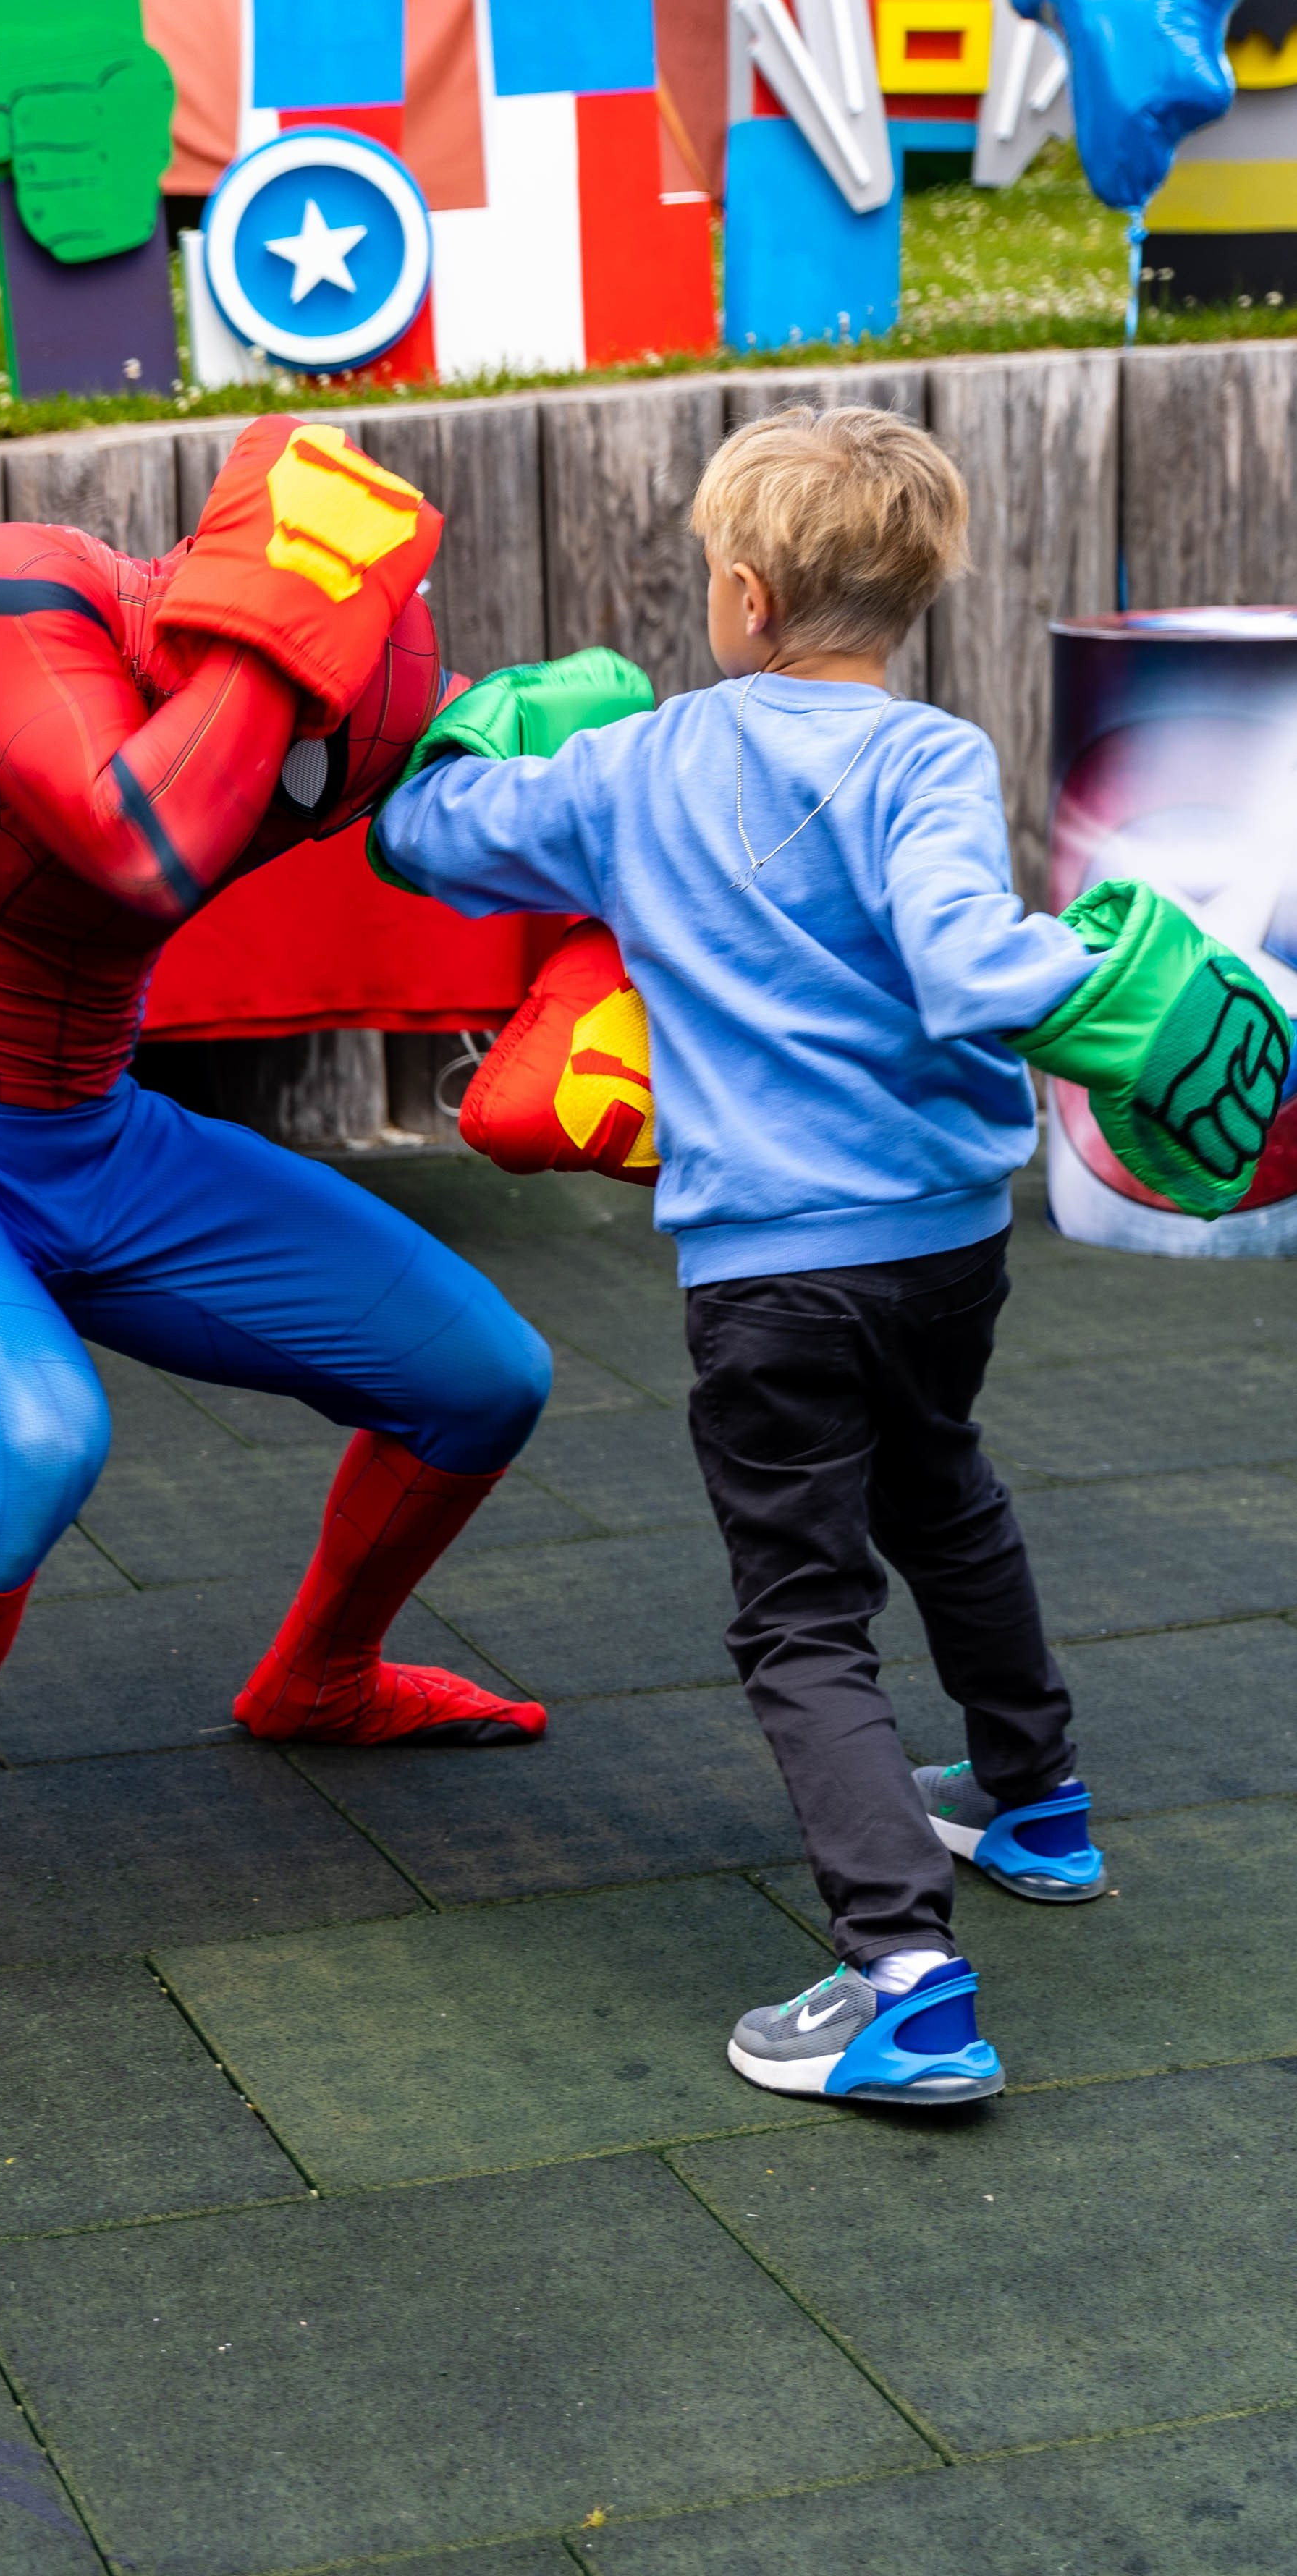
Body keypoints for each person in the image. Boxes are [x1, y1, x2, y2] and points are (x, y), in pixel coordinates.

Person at [0, 415, 554, 2054]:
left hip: (95, 1140)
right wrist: (283, 632)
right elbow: (135, 833)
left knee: (487, 1370)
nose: (297, 786)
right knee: (31, 1440)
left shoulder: (349, 714)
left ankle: (319, 1676)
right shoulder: (7, 596)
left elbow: (498, 832)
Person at [369, 404, 1118, 2108]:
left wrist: (472, 734)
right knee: (943, 1488)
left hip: (771, 1269)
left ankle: (907, 1982)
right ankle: (1035, 1799)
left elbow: (424, 838)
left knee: (801, 1619)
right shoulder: (928, 758)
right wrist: (1102, 980)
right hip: (944, 1243)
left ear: (746, 596)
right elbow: (969, 956)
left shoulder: (642, 765)